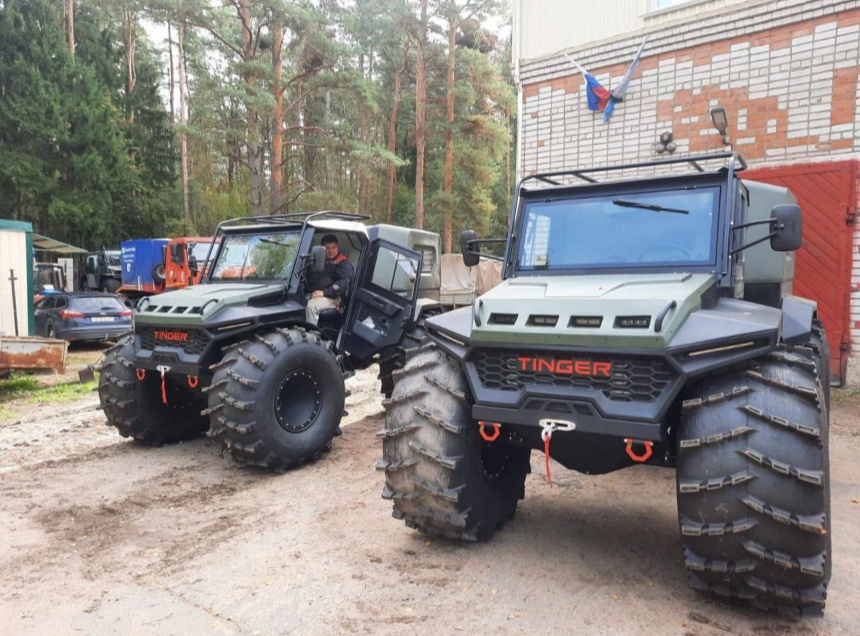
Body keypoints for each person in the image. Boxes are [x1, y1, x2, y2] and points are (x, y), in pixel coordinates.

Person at [305, 234, 354, 325]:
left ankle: (311, 332)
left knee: (312, 306)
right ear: (322, 250)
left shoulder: (343, 263)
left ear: (337, 247)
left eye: (333, 248)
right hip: (312, 293)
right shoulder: (316, 261)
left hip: (332, 297)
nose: (331, 251)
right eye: (327, 248)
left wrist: (323, 292)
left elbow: (342, 284)